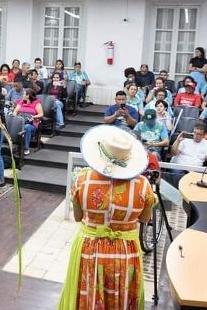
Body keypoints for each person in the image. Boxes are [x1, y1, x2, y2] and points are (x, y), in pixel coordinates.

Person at [58, 125, 155, 310]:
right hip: (126, 250)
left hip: (90, 247)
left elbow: (78, 217)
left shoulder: (82, 179)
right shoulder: (143, 185)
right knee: (122, 296)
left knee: (88, 293)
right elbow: (144, 219)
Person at [169, 123, 207, 188]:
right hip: (179, 167)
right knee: (177, 171)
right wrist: (177, 141)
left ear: (204, 135)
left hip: (195, 170)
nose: (195, 136)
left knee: (198, 177)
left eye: (199, 134)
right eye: (194, 132)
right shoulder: (184, 140)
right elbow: (173, 153)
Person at [12, 89, 43, 155]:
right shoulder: (21, 102)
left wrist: (33, 117)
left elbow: (41, 114)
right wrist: (14, 115)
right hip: (20, 122)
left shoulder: (36, 103)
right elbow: (15, 111)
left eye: (24, 94)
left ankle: (26, 148)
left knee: (26, 127)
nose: (22, 95)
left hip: (31, 124)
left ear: (28, 96)